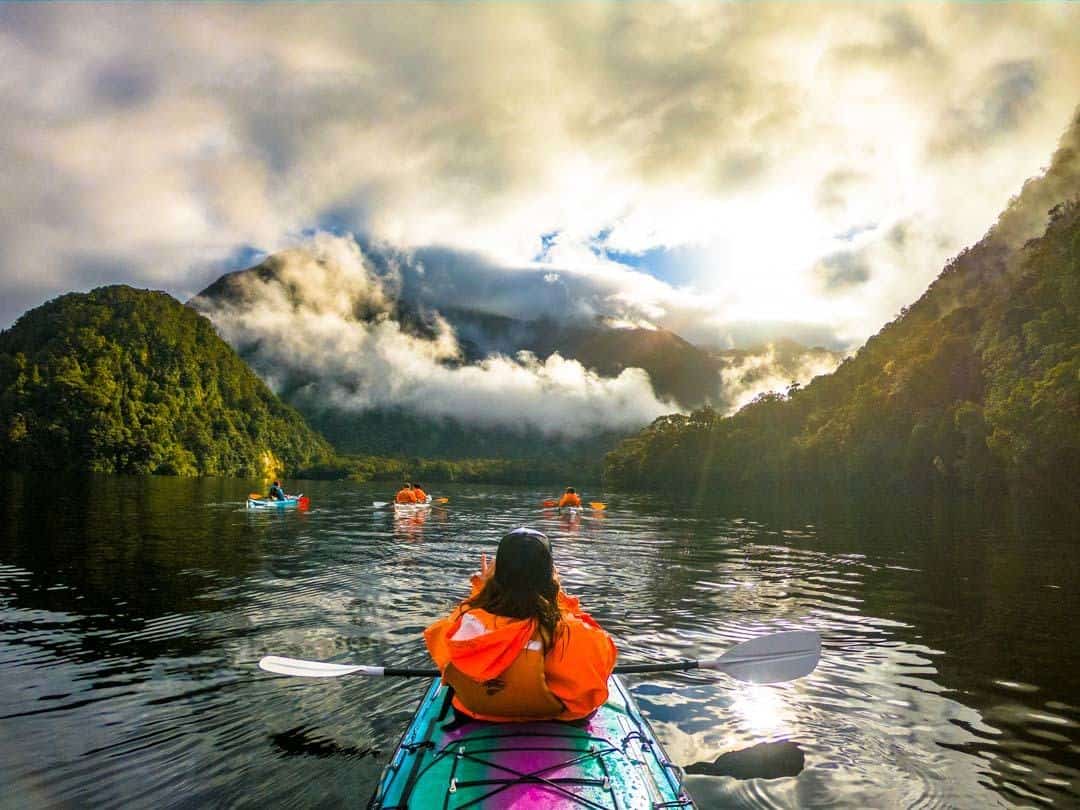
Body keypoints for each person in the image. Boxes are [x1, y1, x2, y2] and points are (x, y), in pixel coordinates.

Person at [424, 527, 616, 722]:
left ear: (497, 575)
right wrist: (559, 597)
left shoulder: (465, 621)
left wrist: (482, 590)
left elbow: (444, 658)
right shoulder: (572, 633)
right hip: (554, 717)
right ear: (550, 575)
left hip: (476, 714)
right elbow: (597, 673)